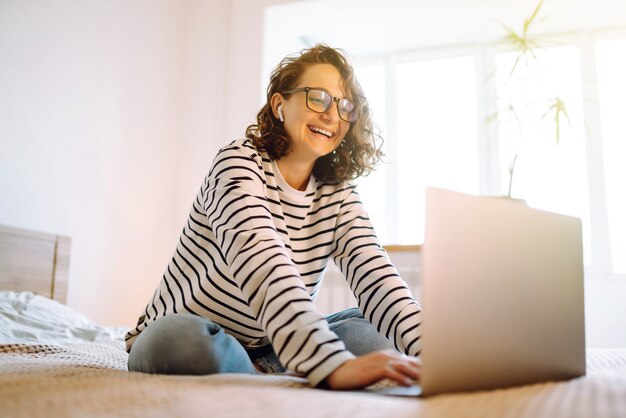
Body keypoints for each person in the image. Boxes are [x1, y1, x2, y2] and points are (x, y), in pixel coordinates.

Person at [125, 44, 422, 390]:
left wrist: (437, 356)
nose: (332, 115)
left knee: (376, 337)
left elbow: (377, 277)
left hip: (270, 348)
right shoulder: (238, 163)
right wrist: (329, 365)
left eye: (344, 107)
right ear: (280, 105)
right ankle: (283, 377)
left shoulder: (338, 193)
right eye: (318, 98)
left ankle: (268, 372)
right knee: (180, 345)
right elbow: (264, 263)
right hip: (195, 332)